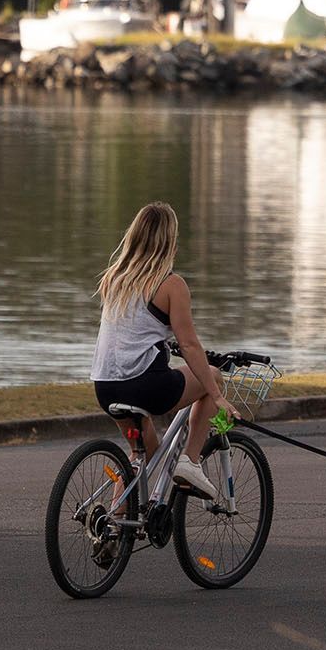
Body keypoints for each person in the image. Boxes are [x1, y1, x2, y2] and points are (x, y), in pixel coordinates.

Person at [91, 201, 218, 498]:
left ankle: (114, 528)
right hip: (145, 386)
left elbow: (132, 331)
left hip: (106, 385)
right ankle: (190, 462)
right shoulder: (171, 284)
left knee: (143, 458)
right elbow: (188, 344)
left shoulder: (114, 278)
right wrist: (217, 395)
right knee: (212, 377)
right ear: (170, 240)